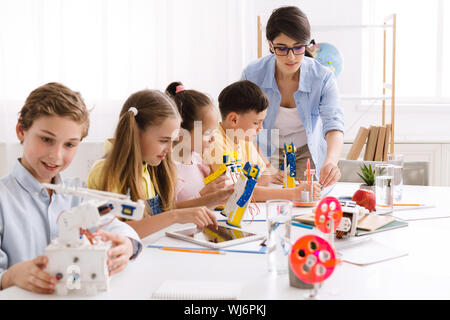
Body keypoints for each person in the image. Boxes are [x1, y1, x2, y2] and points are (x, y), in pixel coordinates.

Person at [0, 82, 142, 293]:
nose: (56, 156)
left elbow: (116, 226)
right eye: (46, 139)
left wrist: (127, 245)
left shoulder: (79, 195)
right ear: (21, 130)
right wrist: (9, 276)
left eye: (69, 144)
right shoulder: (4, 200)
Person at [87, 89, 218, 239]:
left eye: (173, 140)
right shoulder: (105, 171)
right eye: (163, 140)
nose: (170, 149)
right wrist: (174, 216)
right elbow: (114, 231)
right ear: (135, 134)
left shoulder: (151, 167)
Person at [241, 6, 344, 188]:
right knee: (265, 200)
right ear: (270, 45)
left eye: (298, 48)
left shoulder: (323, 78)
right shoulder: (252, 74)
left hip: (306, 152)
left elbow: (333, 125)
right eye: (282, 48)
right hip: (262, 151)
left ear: (306, 44)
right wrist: (265, 166)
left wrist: (331, 162)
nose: (291, 57)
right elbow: (243, 127)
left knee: (304, 201)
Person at [203, 80, 321, 202]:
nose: (261, 128)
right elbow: (236, 192)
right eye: (256, 123)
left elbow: (265, 175)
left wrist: (251, 184)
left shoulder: (244, 139)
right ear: (233, 120)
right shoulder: (215, 142)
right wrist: (293, 193)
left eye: (262, 121)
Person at [165, 82, 234, 208]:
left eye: (214, 132)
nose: (213, 138)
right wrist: (203, 196)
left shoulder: (197, 161)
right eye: (207, 133)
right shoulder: (168, 169)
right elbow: (167, 211)